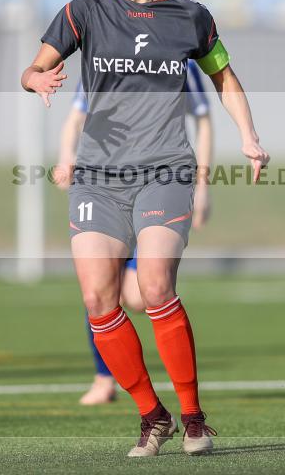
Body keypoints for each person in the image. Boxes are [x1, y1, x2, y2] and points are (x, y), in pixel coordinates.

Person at [22, 0, 269, 457]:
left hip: (165, 171)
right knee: (98, 299)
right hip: (98, 177)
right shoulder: (84, 11)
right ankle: (151, 416)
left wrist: (249, 136)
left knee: (155, 284)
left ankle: (194, 418)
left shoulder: (191, 16)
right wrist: (35, 80)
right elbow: (33, 66)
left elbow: (226, 79)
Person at [54, 68, 213, 405]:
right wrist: (66, 156)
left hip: (157, 184)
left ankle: (188, 408)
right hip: (103, 186)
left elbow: (203, 120)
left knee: (142, 295)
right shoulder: (100, 55)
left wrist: (203, 185)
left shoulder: (179, 59)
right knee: (98, 285)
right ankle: (104, 378)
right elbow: (75, 117)